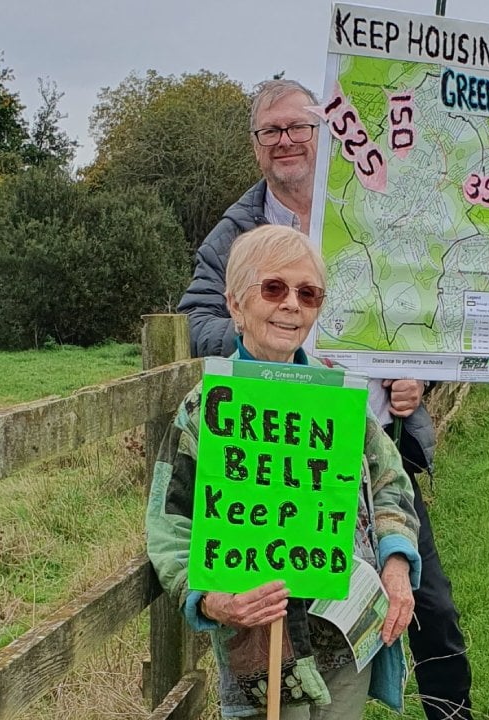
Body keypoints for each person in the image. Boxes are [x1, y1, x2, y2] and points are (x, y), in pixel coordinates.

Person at [177, 78, 474, 720]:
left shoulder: (372, 212)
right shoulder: (235, 233)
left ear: (323, 133)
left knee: (425, 601)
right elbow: (195, 315)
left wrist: (412, 376)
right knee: (273, 633)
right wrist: (266, 338)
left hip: (360, 439)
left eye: (298, 127)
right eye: (271, 131)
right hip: (260, 449)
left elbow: (416, 312)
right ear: (256, 144)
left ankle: (450, 712)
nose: (286, 140)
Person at [147, 225, 421, 718]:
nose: (292, 304)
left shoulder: (340, 404)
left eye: (308, 293)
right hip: (256, 645)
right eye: (274, 288)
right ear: (235, 305)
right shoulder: (208, 407)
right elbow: (170, 524)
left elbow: (390, 484)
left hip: (344, 634)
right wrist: (210, 599)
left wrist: (396, 564)